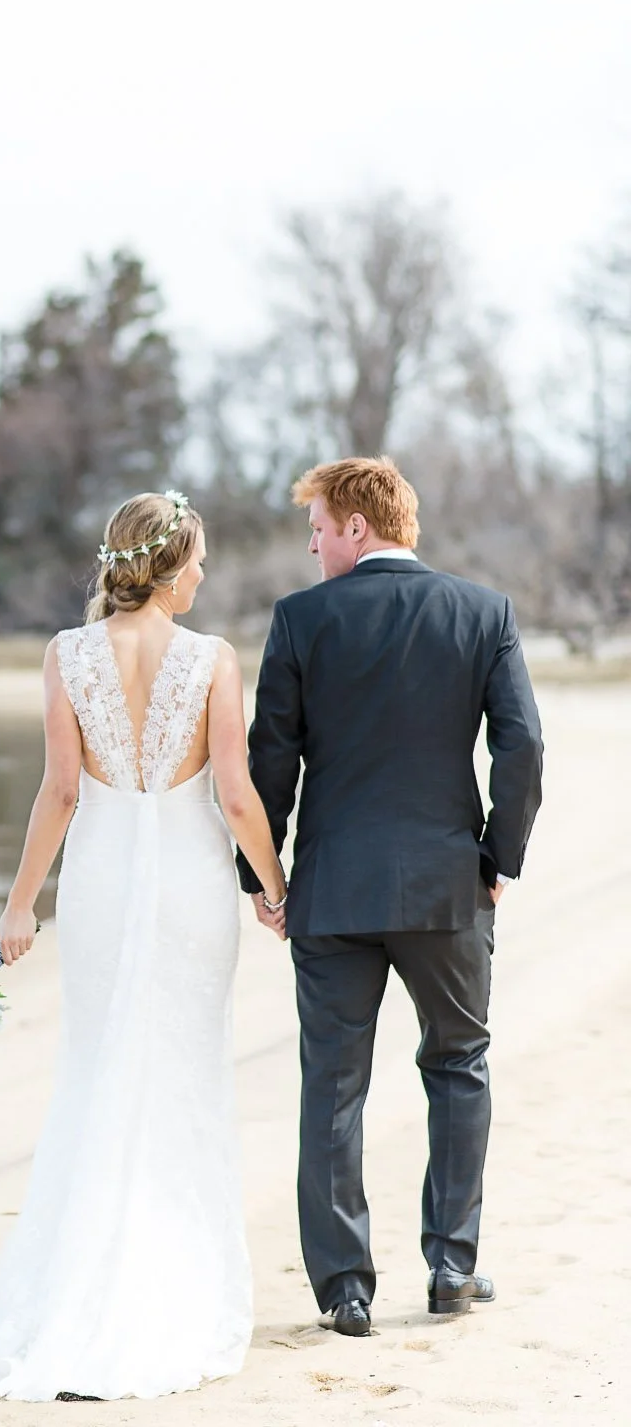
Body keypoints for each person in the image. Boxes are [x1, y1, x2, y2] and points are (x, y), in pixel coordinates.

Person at [0, 490, 287, 1403]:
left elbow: (60, 791)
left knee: (100, 1067)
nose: (206, 574)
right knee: (181, 1071)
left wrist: (19, 906)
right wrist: (274, 886)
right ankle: (169, 1279)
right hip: (185, 880)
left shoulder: (66, 654)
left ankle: (88, 1276)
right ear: (171, 565)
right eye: (200, 559)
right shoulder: (212, 658)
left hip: (101, 879)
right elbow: (237, 795)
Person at [241, 456, 543, 1336]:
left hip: (333, 891)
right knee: (458, 1065)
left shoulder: (300, 620)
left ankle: (345, 1287)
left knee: (332, 1086)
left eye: (319, 527)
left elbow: (271, 761)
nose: (311, 542)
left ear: (358, 527)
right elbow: (522, 748)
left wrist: (262, 877)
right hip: (448, 886)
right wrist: (498, 858)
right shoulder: (483, 612)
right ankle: (452, 1265)